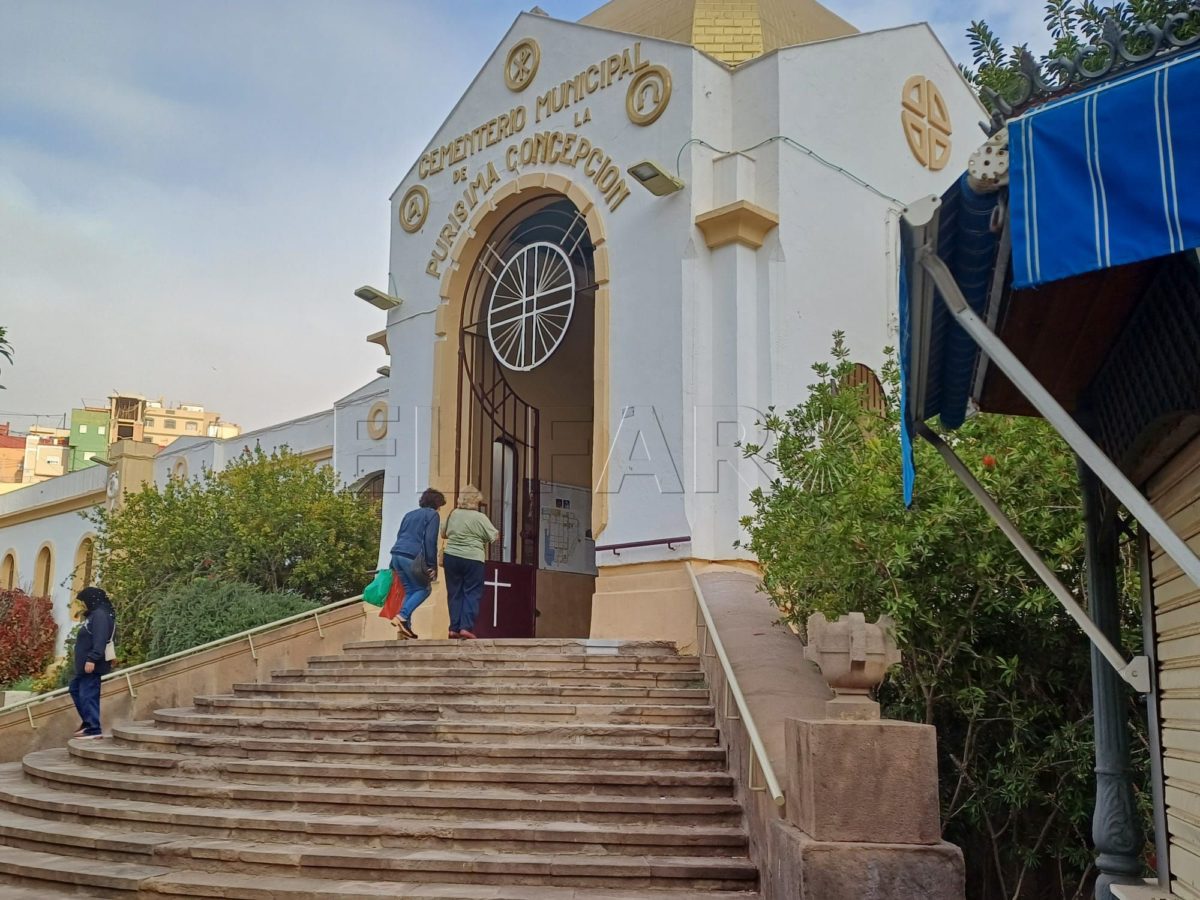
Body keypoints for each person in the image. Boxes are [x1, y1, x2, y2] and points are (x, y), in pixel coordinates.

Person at [442, 485, 500, 640]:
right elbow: (494, 536)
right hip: (473, 558)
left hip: (451, 556)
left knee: (454, 593)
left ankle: (453, 628)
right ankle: (465, 627)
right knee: (472, 592)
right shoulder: (480, 517)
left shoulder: (453, 513)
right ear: (476, 501)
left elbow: (444, 532)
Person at [389, 487, 446, 639]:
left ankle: (405, 628)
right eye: (440, 505)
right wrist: (431, 566)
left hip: (396, 555)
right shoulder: (432, 515)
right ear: (437, 503)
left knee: (410, 590)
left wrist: (392, 563)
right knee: (424, 589)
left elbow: (400, 535)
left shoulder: (409, 514)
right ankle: (402, 616)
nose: (440, 509)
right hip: (412, 557)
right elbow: (430, 540)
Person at [69, 587, 115, 739]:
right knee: (75, 688)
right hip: (84, 665)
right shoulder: (94, 614)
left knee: (89, 694)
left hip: (92, 664)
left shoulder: (100, 615)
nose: (84, 604)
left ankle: (94, 728)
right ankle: (88, 722)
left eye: (85, 601)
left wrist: (92, 659)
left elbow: (100, 639)